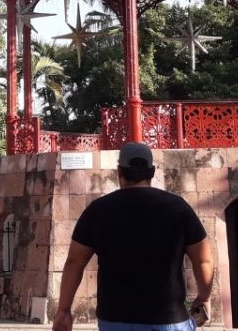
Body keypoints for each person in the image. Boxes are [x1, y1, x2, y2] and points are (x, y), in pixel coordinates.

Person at [53, 142, 215, 331]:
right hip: (169, 319)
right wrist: (204, 298)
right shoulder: (178, 208)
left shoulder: (98, 210)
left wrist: (63, 310)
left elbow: (75, 262)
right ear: (152, 172)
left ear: (119, 171)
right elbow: (203, 259)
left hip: (115, 320)